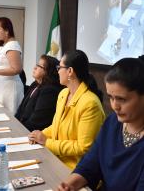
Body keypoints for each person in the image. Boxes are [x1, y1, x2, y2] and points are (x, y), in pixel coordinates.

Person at [57, 57, 144, 191]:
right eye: (110, 97)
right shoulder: (112, 122)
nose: (114, 106)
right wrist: (69, 185)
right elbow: (89, 165)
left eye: (121, 99)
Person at [28, 50, 105, 170]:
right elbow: (56, 126)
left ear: (70, 71)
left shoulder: (90, 103)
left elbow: (83, 147)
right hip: (57, 159)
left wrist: (46, 142)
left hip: (76, 169)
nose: (57, 71)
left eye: (59, 67)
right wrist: (40, 134)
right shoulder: (63, 93)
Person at [0, 17, 24, 114]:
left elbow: (17, 69)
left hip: (10, 90)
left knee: (10, 118)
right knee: (3, 115)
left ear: (7, 31)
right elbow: (3, 66)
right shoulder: (5, 45)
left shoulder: (12, 46)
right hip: (2, 88)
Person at [15, 55, 63, 132]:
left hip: (32, 134)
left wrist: (18, 130)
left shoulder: (49, 91)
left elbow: (36, 122)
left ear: (48, 71)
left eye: (39, 66)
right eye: (36, 65)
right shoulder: (35, 84)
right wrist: (14, 124)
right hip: (21, 127)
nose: (35, 67)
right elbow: (20, 110)